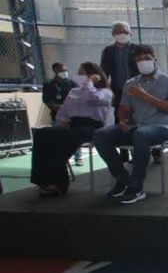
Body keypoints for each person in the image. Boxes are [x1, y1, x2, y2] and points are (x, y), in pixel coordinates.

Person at [93, 45, 168, 205]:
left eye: (147, 58)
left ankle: (136, 187)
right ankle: (122, 178)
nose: (144, 62)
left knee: (141, 134)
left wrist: (144, 96)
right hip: (137, 126)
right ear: (135, 62)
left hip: (165, 128)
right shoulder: (130, 84)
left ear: (155, 59)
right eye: (139, 59)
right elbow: (124, 109)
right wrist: (122, 120)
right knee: (101, 134)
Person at [31, 63, 113, 196]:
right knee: (42, 133)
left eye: (84, 73)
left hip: (92, 126)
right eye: (79, 73)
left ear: (95, 75)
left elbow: (93, 98)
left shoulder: (105, 92)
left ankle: (58, 183)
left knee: (62, 139)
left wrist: (90, 83)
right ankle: (43, 180)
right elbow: (63, 111)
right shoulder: (74, 91)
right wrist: (62, 122)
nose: (81, 76)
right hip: (72, 125)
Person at [100, 21, 140, 163]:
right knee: (121, 120)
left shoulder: (137, 49)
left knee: (138, 119)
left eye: (124, 32)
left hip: (137, 91)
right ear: (113, 35)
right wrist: (106, 89)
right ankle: (124, 153)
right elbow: (103, 72)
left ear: (130, 33)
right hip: (117, 90)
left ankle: (142, 152)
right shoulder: (108, 51)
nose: (122, 35)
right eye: (118, 32)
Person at [41, 62, 80, 165]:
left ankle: (78, 157)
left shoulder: (71, 83)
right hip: (56, 116)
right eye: (62, 71)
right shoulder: (48, 84)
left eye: (65, 70)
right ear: (55, 71)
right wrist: (60, 108)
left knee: (74, 136)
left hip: (72, 115)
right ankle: (63, 159)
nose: (65, 72)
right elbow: (47, 101)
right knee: (59, 137)